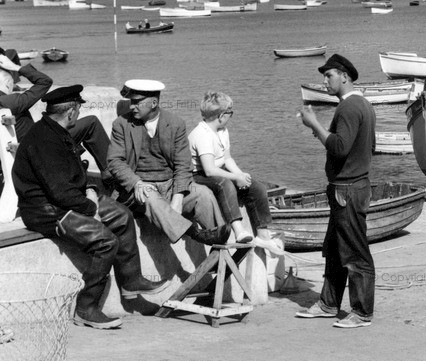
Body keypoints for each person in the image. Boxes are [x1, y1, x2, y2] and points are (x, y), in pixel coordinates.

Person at [12, 85, 170, 330]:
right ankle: (86, 307)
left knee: (122, 214)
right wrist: (90, 207)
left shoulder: (56, 130)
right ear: (72, 112)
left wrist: (91, 191)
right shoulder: (43, 141)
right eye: (78, 108)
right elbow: (59, 192)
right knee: (105, 242)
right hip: (47, 211)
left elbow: (73, 176)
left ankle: (131, 282)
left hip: (67, 200)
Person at [295, 54, 376, 329]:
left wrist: (313, 124)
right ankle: (329, 304)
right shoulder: (363, 105)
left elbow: (340, 147)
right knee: (334, 249)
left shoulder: (350, 107)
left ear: (344, 76)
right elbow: (366, 147)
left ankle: (362, 312)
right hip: (350, 186)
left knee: (354, 252)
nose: (325, 80)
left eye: (328, 75)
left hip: (348, 189)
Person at [107, 79, 231, 248]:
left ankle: (219, 245)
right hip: (138, 189)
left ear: (153, 102)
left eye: (137, 102)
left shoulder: (175, 124)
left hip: (170, 185)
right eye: (131, 102)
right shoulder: (121, 124)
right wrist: (136, 183)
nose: (132, 107)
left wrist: (178, 197)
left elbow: (183, 164)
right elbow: (115, 161)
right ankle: (193, 233)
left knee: (203, 194)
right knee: (149, 195)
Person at [0, 47, 113, 185]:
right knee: (91, 123)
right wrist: (16, 67)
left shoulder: (8, 102)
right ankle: (109, 173)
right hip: (40, 149)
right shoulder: (11, 102)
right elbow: (45, 81)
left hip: (21, 152)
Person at [188, 91, 283, 253]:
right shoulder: (201, 134)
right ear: (221, 115)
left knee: (257, 187)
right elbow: (209, 170)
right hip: (200, 174)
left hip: (218, 170)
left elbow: (227, 159)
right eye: (229, 113)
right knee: (225, 184)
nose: (230, 117)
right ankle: (239, 229)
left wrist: (241, 176)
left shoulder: (222, 131)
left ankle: (263, 236)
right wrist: (234, 178)